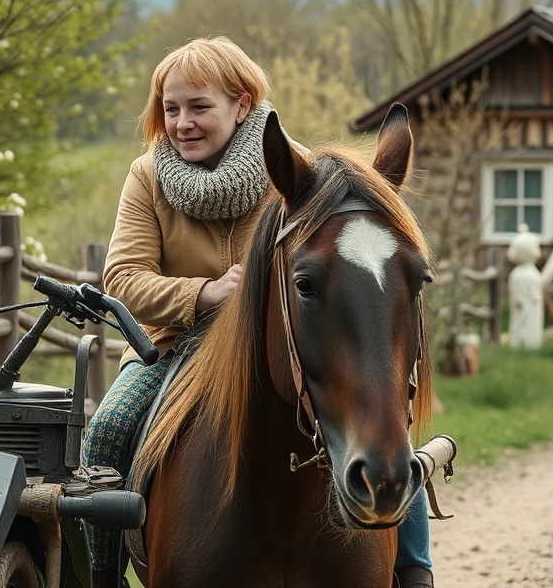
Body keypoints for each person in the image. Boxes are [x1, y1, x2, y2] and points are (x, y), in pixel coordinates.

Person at [81, 35, 435, 588]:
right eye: (170, 109)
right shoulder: (146, 176)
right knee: (107, 429)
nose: (182, 123)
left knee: (386, 429)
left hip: (278, 344)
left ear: (242, 104)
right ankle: (102, 576)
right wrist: (203, 294)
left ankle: (413, 568)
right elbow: (122, 278)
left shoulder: (300, 173)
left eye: (199, 107)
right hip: (170, 346)